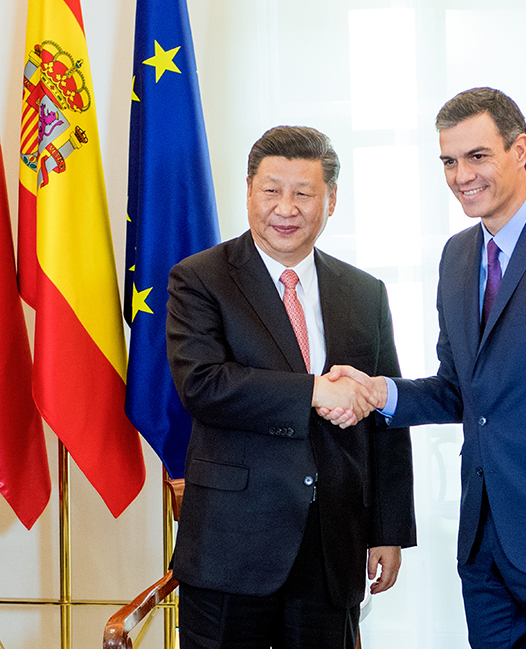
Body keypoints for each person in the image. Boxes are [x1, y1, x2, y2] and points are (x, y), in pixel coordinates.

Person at [323, 88, 526, 648]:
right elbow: (458, 389)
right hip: (482, 543)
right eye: (449, 161)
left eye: (477, 156)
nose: (461, 176)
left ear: (520, 150)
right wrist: (379, 392)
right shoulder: (457, 256)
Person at [166, 125, 416, 649]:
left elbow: (385, 414)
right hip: (230, 547)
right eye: (271, 190)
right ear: (248, 192)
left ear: (331, 200)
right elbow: (203, 384)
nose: (286, 208)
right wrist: (314, 392)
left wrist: (389, 530)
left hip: (332, 547)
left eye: (303, 193)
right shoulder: (200, 278)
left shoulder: (365, 292)